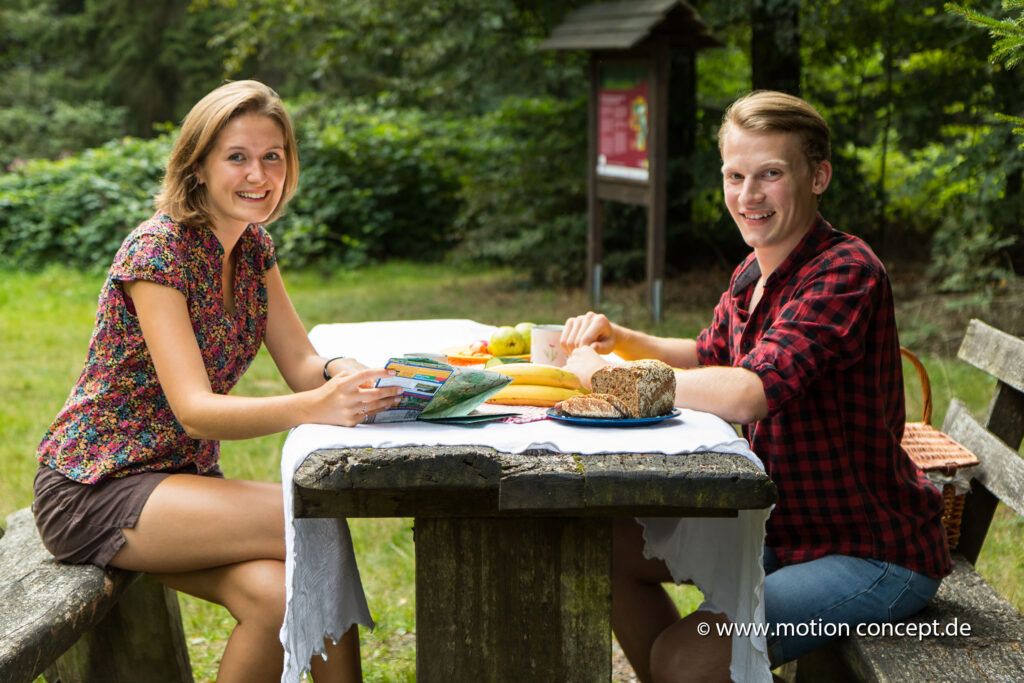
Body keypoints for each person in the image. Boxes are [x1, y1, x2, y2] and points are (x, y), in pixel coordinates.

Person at [561, 90, 951, 682]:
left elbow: (749, 390)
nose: (748, 196)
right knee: (599, 550)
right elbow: (706, 354)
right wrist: (622, 338)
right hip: (778, 526)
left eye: (770, 174)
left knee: (686, 658)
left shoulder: (847, 271)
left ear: (817, 176)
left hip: (868, 553)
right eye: (735, 175)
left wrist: (614, 378)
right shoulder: (755, 271)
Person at [32, 80, 402, 683]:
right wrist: (317, 405)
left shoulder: (253, 248)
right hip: (95, 487)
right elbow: (196, 412)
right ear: (197, 166)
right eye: (237, 156)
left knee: (273, 597)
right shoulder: (158, 252)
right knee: (313, 515)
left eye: (272, 156)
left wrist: (343, 375)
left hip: (179, 485)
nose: (258, 174)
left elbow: (305, 364)